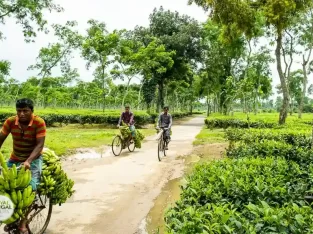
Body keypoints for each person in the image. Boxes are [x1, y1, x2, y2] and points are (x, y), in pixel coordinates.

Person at [0, 98, 46, 234]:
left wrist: (29, 161)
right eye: (19, 111)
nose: (21, 114)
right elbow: (1, 138)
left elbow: (40, 145)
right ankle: (10, 217)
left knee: (29, 189)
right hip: (15, 158)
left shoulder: (39, 122)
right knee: (5, 188)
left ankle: (23, 222)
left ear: (32, 111)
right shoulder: (10, 122)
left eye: (25, 111)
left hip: (33, 159)